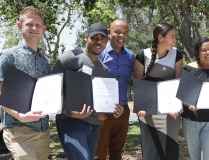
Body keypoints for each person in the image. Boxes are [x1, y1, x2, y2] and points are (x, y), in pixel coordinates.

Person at [51, 22, 124, 160]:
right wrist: (70, 111)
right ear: (86, 37)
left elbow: (102, 99)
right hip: (72, 122)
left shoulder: (103, 69)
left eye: (102, 39)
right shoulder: (70, 58)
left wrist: (114, 108)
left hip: (94, 125)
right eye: (94, 37)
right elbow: (51, 89)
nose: (98, 42)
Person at [0, 6, 51, 159]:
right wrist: (20, 115)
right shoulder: (8, 56)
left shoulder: (45, 61)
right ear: (20, 26)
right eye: (29, 24)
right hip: (18, 130)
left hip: (43, 131)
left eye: (38, 25)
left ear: (43, 29)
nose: (34, 28)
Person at [134, 22, 183, 160]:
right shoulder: (142, 55)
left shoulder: (176, 54)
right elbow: (139, 83)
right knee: (151, 151)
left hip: (170, 112)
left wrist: (175, 106)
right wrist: (141, 107)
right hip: (148, 112)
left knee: (170, 150)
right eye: (172, 36)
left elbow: (179, 82)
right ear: (160, 38)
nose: (174, 40)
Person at [95, 20, 135, 160]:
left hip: (123, 112)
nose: (121, 36)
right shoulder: (98, 55)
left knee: (117, 154)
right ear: (109, 32)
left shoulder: (131, 57)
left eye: (125, 33)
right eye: (117, 32)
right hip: (102, 113)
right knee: (98, 155)